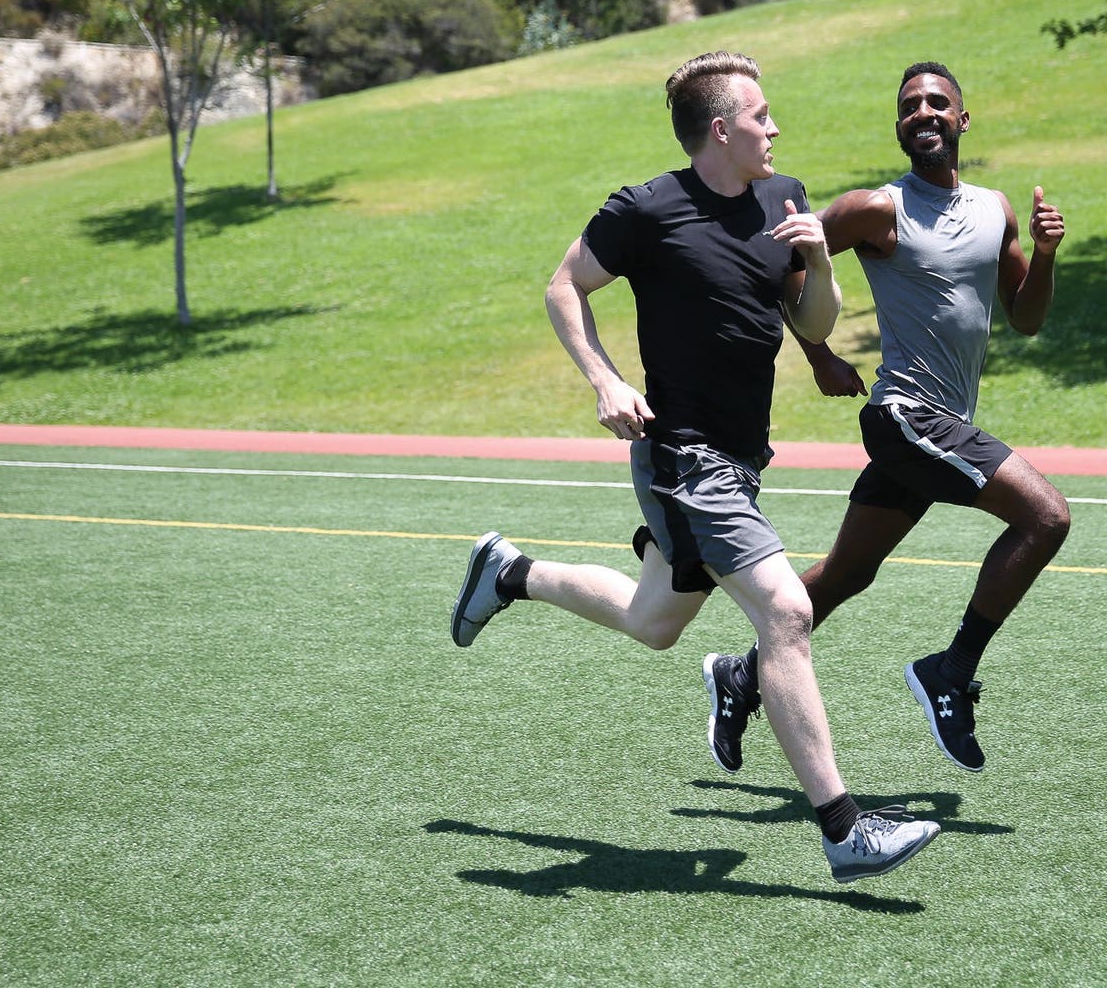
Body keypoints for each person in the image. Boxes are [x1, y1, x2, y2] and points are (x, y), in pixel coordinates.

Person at [450, 51, 939, 884]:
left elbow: (812, 321)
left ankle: (509, 572)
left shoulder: (785, 200)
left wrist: (821, 261)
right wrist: (605, 380)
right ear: (721, 130)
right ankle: (844, 829)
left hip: (742, 459)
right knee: (786, 610)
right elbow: (564, 287)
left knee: (654, 623)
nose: (775, 128)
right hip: (682, 455)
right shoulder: (648, 208)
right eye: (761, 117)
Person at [699, 61, 1070, 776]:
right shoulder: (877, 209)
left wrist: (1047, 254)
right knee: (1046, 517)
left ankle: (741, 675)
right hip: (907, 416)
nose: (923, 112)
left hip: (940, 425)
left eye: (937, 103)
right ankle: (951, 672)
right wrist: (819, 355)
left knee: (847, 573)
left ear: (962, 120)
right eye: (909, 106)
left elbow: (1026, 317)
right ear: (900, 128)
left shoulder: (996, 209)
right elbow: (779, 266)